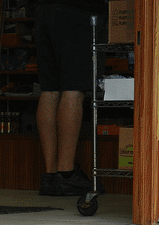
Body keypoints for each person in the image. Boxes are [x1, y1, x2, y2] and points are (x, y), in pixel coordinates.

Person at [35, 0, 107, 195]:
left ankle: (50, 175)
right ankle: (66, 174)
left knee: (50, 89)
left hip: (44, 11)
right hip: (78, 12)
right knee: (74, 88)